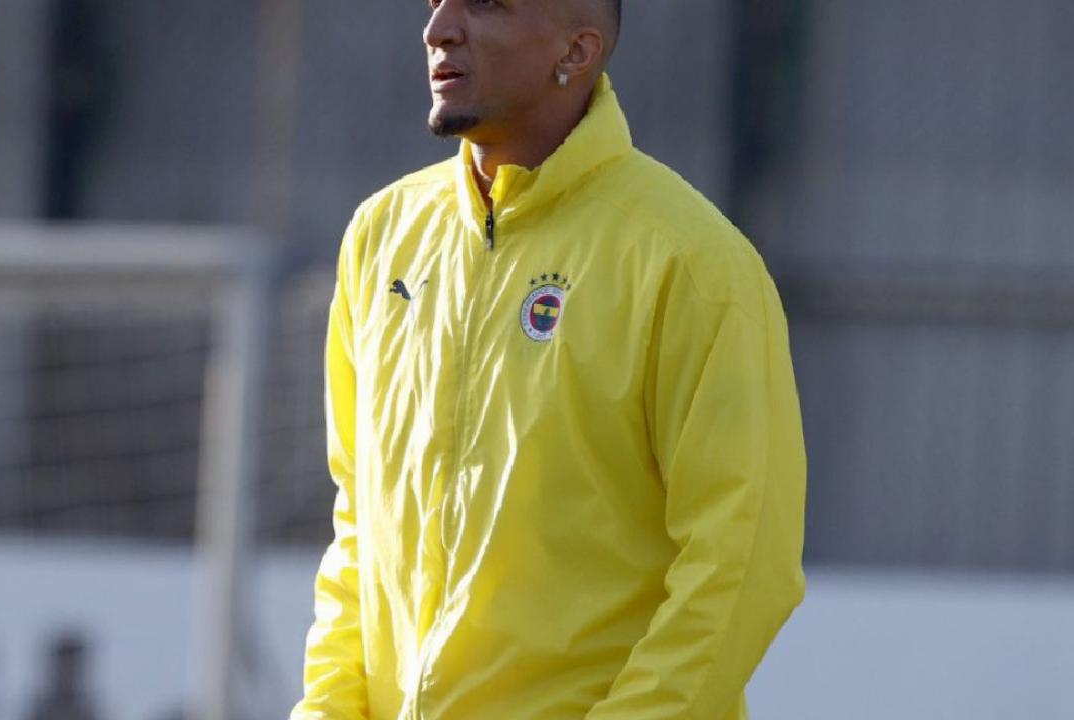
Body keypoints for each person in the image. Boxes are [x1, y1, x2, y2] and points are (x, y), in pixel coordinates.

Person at [291, 1, 806, 718]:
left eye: (484, 3)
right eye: (434, 1)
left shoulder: (691, 265)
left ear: (577, 51)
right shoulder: (381, 238)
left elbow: (741, 565)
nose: (438, 29)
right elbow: (359, 531)